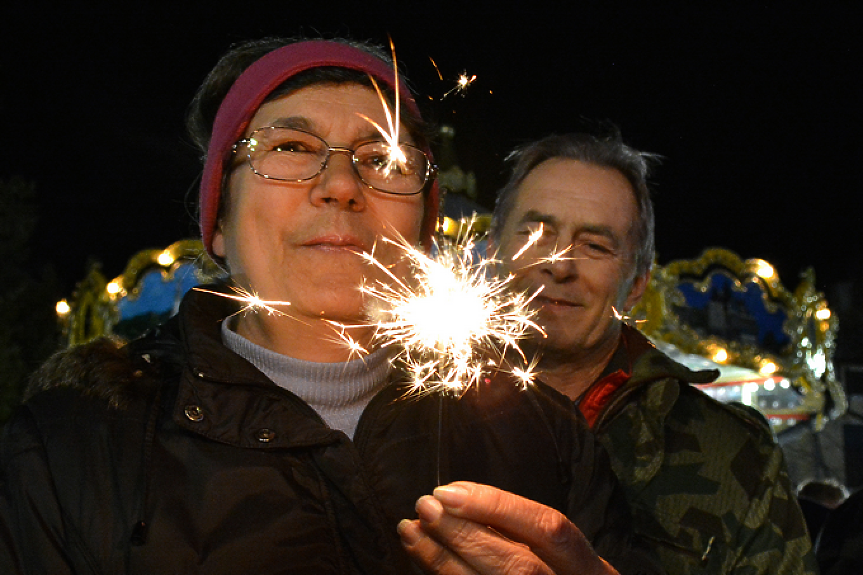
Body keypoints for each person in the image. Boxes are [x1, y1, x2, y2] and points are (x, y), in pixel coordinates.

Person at [0, 38, 659, 574]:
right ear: (219, 219)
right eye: (289, 148)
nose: (341, 185)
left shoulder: (545, 435)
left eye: (384, 158)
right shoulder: (68, 451)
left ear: (426, 224)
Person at [488, 129, 819, 574]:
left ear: (636, 286)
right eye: (535, 233)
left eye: (594, 246)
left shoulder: (736, 456)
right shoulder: (399, 408)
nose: (559, 264)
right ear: (492, 253)